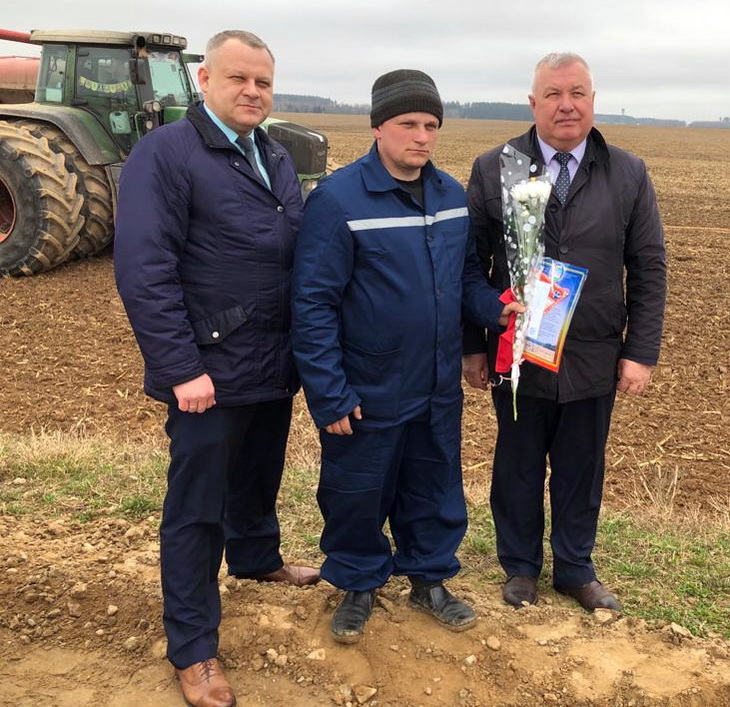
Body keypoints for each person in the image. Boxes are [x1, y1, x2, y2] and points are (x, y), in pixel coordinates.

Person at [114, 30, 319, 707]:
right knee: (197, 509)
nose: (253, 92)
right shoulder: (167, 154)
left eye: (263, 82)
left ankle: (256, 558)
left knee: (258, 475)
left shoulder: (274, 154)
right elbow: (144, 268)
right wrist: (181, 367)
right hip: (207, 369)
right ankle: (194, 646)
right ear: (205, 80)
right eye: (239, 79)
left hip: (270, 360)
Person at [292, 69, 522, 643]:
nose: (421, 136)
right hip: (368, 385)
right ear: (377, 127)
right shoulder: (338, 200)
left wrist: (497, 309)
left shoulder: (450, 195)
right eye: (408, 124)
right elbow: (313, 304)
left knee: (434, 487)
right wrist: (328, 392)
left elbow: (465, 279)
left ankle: (429, 578)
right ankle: (358, 583)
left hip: (436, 384)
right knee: (357, 490)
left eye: (431, 125)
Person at [463, 52, 667, 612]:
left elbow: (648, 266)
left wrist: (641, 352)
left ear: (593, 101)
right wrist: (472, 345)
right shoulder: (497, 167)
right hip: (518, 351)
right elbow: (469, 265)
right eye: (553, 94)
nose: (566, 105)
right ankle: (520, 567)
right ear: (533, 104)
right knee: (518, 463)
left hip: (594, 352)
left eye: (577, 93)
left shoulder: (627, 172)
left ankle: (575, 568)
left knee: (581, 466)